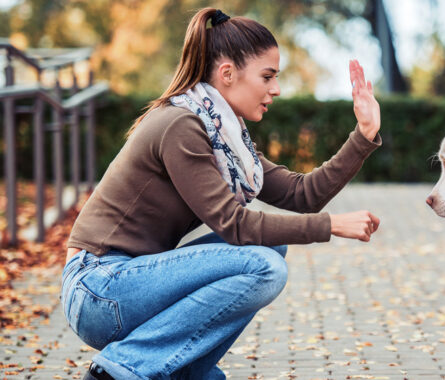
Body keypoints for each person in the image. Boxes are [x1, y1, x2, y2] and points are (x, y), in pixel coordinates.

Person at [61, 8, 382, 380]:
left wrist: (363, 135)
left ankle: (182, 371)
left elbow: (302, 194)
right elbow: (235, 225)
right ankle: (121, 368)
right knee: (264, 265)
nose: (276, 89)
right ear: (228, 74)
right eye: (268, 77)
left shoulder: (225, 141)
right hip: (98, 289)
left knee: (270, 252)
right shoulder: (181, 125)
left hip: (129, 286)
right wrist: (330, 226)